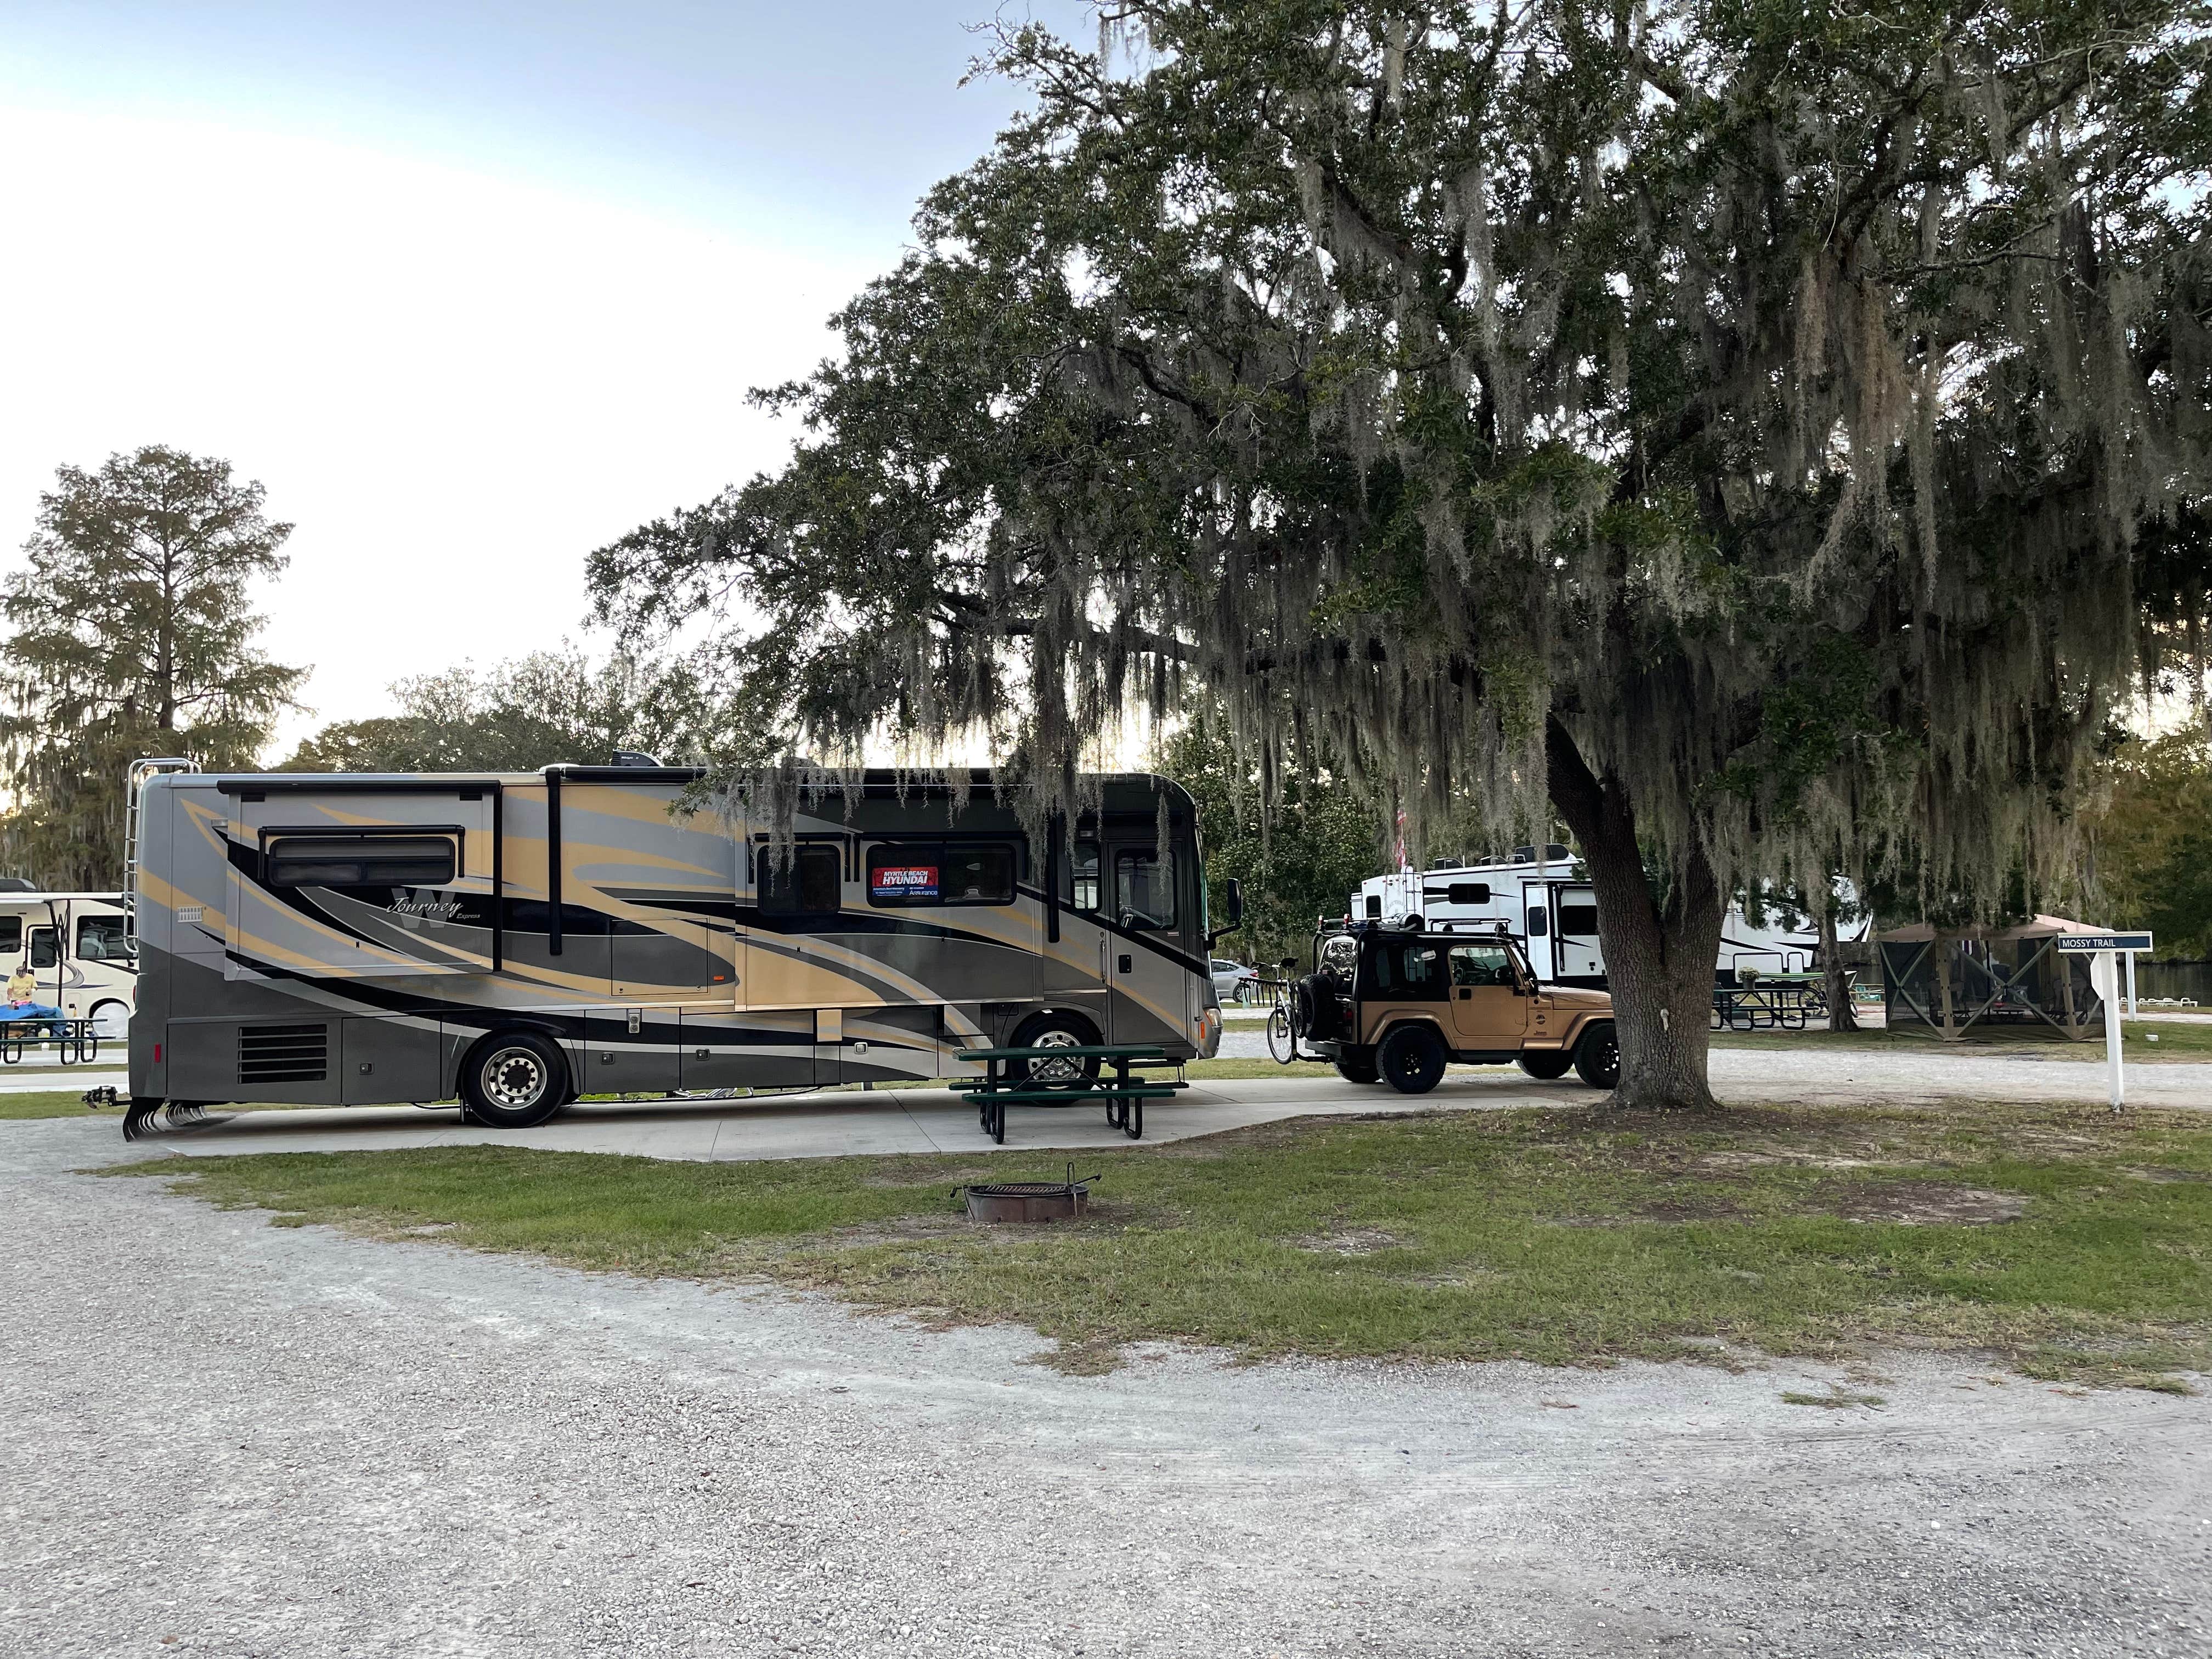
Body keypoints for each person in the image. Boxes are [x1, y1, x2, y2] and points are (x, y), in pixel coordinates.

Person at [4, 959, 64, 1039]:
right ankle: (15, 1032)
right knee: (14, 1015)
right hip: (15, 1002)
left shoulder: (30, 977)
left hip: (27, 1002)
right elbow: (10, 989)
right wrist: (9, 995)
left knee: (27, 1016)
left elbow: (36, 987)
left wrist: (32, 990)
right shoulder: (13, 978)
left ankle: (26, 1033)